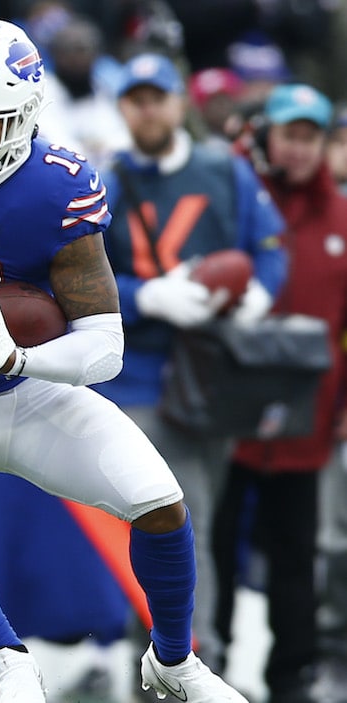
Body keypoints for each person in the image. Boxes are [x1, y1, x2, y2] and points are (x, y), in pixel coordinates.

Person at [0, 19, 250, 702]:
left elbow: (104, 345)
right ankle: (5, 657)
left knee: (161, 502)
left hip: (31, 394)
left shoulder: (57, 184)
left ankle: (174, 661)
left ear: (26, 115)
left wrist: (20, 357)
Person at [94, 52, 287, 680]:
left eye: (157, 97)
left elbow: (269, 246)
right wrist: (142, 294)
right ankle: (180, 657)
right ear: (123, 108)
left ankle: (161, 646)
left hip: (217, 368)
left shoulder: (223, 170)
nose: (147, 109)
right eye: (135, 98)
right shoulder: (111, 180)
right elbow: (71, 274)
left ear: (179, 102)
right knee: (179, 513)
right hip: (145, 371)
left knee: (195, 511)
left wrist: (257, 294)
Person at [214, 84, 347, 703]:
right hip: (226, 416)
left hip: (308, 418)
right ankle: (200, 664)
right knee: (210, 544)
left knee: (297, 555)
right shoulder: (236, 194)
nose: (299, 149)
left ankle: (291, 674)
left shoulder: (341, 218)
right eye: (290, 135)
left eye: (310, 137)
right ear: (269, 135)